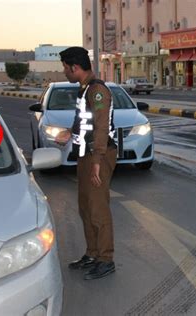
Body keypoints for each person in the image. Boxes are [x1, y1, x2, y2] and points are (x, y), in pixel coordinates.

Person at [55, 46, 117, 280]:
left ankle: (105, 258)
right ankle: (92, 253)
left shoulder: (98, 90)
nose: (64, 72)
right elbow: (85, 119)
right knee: (86, 207)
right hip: (85, 154)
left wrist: (98, 162)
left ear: (75, 67)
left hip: (97, 156)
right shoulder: (84, 90)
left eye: (65, 68)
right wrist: (70, 133)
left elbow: (101, 126)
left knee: (98, 209)